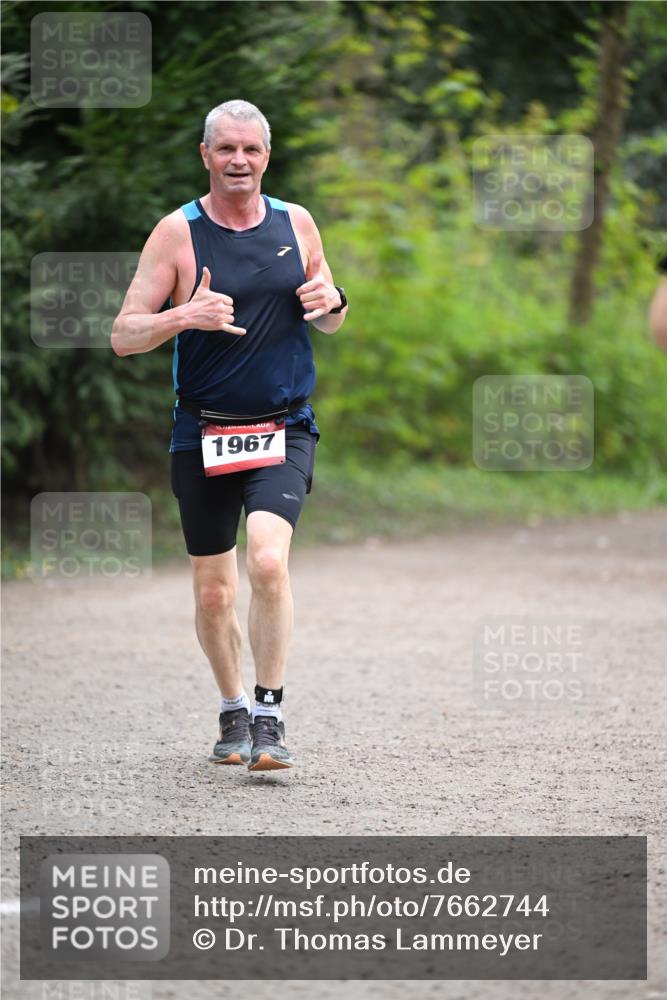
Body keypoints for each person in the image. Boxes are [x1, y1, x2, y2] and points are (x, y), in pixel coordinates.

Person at [111, 99, 348, 771]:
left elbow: (326, 311)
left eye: (250, 149)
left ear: (266, 157)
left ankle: (269, 716)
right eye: (225, 150)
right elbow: (123, 335)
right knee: (214, 591)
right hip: (204, 431)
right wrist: (183, 315)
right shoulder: (177, 233)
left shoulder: (295, 222)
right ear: (206, 156)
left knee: (268, 561)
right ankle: (232, 706)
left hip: (283, 426)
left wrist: (333, 304)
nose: (238, 160)